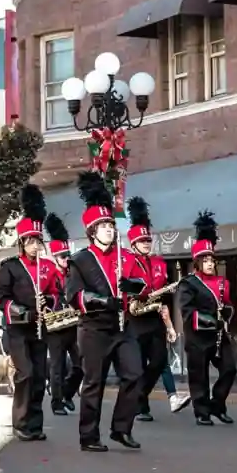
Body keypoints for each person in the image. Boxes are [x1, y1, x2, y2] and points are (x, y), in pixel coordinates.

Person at [64, 171, 146, 452]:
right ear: (91, 231)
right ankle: (88, 436)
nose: (109, 229)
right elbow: (74, 296)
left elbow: (141, 285)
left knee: (135, 375)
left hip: (123, 326)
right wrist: (101, 300)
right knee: (94, 383)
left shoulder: (126, 257)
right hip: (94, 328)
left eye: (111, 225)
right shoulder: (80, 260)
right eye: (103, 226)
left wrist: (133, 285)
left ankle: (121, 429)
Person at [0, 185, 58, 441]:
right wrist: (22, 311)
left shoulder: (48, 266)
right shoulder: (9, 267)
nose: (35, 246)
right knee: (26, 373)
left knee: (41, 376)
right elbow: (2, 299)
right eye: (30, 241)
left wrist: (50, 303)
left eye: (37, 241)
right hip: (18, 330)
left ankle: (35, 423)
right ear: (21, 243)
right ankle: (20, 423)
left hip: (40, 329)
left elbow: (56, 293)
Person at [124, 196, 190, 421]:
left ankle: (142, 395)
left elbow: (162, 291)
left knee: (160, 359)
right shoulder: (129, 262)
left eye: (148, 241)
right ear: (133, 244)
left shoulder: (160, 263)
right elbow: (125, 287)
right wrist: (141, 293)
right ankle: (142, 407)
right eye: (142, 241)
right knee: (139, 364)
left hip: (154, 316)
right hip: (136, 317)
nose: (146, 244)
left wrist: (169, 322)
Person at [177, 211, 237, 426]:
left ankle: (217, 405)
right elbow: (187, 311)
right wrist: (211, 321)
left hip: (219, 335)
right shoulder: (188, 283)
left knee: (230, 369)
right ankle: (201, 411)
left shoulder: (223, 283)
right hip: (198, 337)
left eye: (212, 259)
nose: (211, 263)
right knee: (199, 375)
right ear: (197, 263)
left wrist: (227, 314)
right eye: (206, 260)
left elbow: (228, 305)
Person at [43, 211, 83, 415]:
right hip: (56, 326)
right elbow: (44, 296)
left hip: (73, 325)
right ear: (55, 257)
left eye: (67, 255)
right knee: (57, 366)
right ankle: (56, 402)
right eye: (62, 256)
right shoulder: (49, 272)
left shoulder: (73, 273)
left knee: (80, 365)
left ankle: (67, 393)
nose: (66, 259)